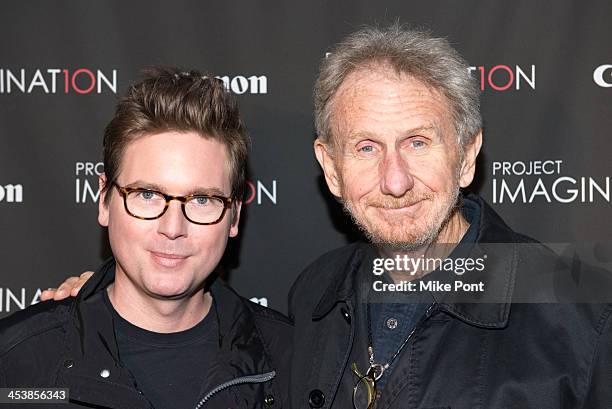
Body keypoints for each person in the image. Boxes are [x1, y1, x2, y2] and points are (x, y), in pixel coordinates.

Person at [41, 26, 612, 409]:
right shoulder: (315, 299)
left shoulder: (586, 316)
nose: (394, 179)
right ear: (330, 168)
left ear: (466, 155)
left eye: (417, 142)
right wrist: (80, 314)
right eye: (365, 147)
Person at [0, 67, 291, 409]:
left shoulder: (295, 363)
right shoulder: (17, 361)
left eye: (201, 200)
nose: (172, 227)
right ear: (104, 200)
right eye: (148, 194)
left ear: (234, 216)